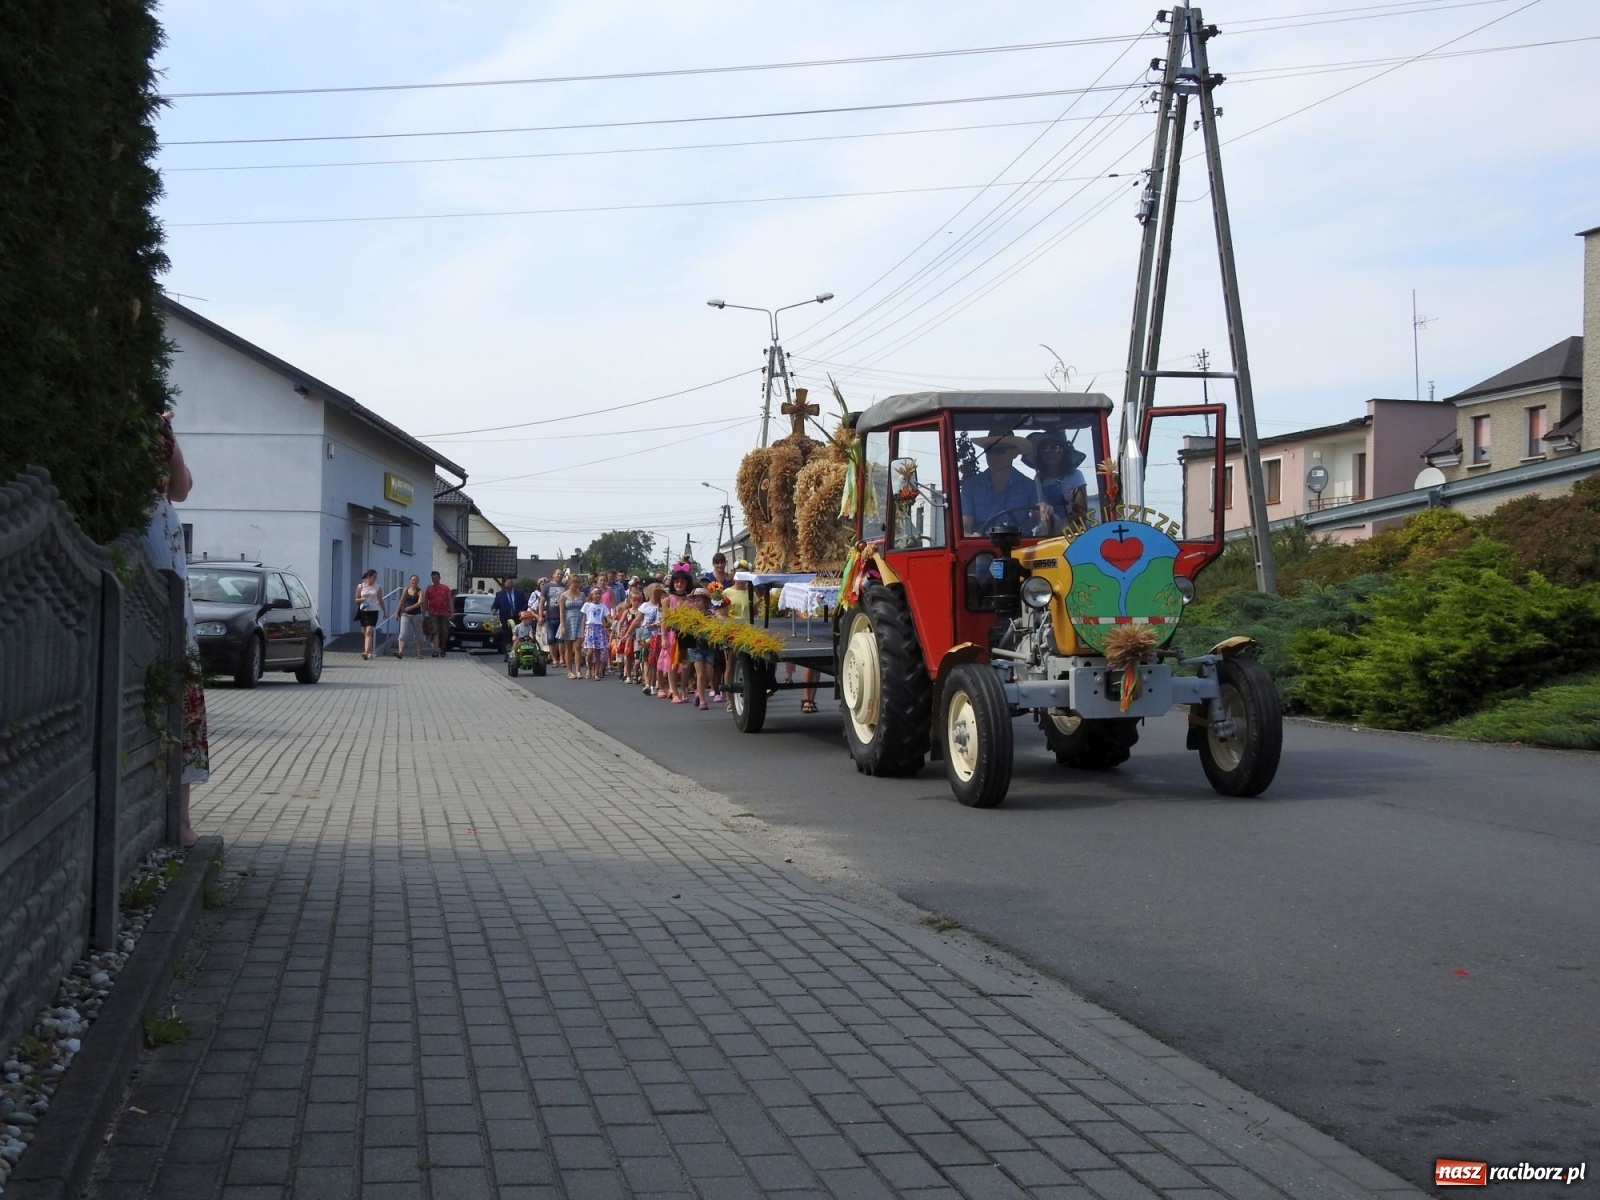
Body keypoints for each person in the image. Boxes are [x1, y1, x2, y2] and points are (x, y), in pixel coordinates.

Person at [143, 411, 206, 847]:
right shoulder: (154, 422)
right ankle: (180, 822)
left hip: (139, 533)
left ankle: (172, 820)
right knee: (179, 669)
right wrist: (168, 432)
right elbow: (182, 487)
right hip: (157, 533)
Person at [960, 429, 1043, 535]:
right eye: (989, 450)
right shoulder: (970, 487)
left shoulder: (1030, 486)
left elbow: (1044, 518)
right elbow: (965, 526)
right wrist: (970, 537)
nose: (993, 456)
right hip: (983, 548)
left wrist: (1042, 514)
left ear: (1014, 453)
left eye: (1000, 450)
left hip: (1021, 547)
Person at [1024, 430, 1090, 534]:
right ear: (1039, 455)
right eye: (1045, 449)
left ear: (1064, 452)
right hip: (1047, 533)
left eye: (1056, 448)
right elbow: (1036, 512)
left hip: (1073, 533)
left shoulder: (1075, 475)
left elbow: (1082, 512)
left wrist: (1060, 525)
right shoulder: (1038, 479)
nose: (1051, 453)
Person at [355, 568, 385, 660]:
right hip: (363, 610)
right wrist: (362, 599)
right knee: (366, 633)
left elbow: (380, 600)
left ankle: (365, 652)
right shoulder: (360, 586)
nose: (375, 578)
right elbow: (356, 599)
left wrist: (384, 611)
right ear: (368, 576)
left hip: (373, 611)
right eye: (374, 577)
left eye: (376, 577)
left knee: (369, 631)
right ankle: (370, 653)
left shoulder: (377, 587)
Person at [580, 586, 610, 680]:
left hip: (599, 629)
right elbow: (584, 619)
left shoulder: (602, 606)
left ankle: (596, 672)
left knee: (598, 652)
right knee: (590, 652)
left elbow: (608, 618)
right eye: (596, 593)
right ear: (592, 595)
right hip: (590, 628)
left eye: (599, 594)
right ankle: (589, 668)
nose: (598, 595)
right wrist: (582, 632)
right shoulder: (587, 605)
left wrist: (614, 623)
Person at [560, 575, 586, 679]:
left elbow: (585, 610)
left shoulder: (582, 595)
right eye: (574, 582)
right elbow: (561, 611)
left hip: (580, 620)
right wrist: (562, 625)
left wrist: (585, 624)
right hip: (568, 621)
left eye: (578, 582)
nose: (576, 584)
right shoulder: (564, 595)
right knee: (568, 648)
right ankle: (569, 671)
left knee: (578, 647)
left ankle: (578, 670)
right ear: (569, 582)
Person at [490, 578, 525, 654]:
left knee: (517, 635)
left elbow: (525, 604)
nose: (507, 590)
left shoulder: (519, 593)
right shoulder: (500, 595)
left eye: (509, 588)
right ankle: (507, 654)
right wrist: (494, 609)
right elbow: (495, 605)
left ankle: (518, 652)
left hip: (517, 618)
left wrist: (522, 611)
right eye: (506, 588)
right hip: (505, 618)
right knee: (507, 636)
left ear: (512, 586)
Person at [423, 571, 453, 657]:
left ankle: (443, 647)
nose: (434, 579)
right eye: (433, 578)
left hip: (444, 612)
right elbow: (426, 600)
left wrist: (452, 612)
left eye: (435, 578)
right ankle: (436, 650)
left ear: (439, 578)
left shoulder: (445, 588)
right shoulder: (429, 589)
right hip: (433, 612)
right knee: (435, 630)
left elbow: (450, 599)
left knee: (444, 630)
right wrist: (424, 611)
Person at [396, 574, 425, 659]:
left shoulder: (420, 591)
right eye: (412, 580)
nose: (414, 582)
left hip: (416, 615)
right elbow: (401, 601)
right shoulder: (406, 590)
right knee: (403, 633)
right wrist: (397, 612)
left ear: (418, 582)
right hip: (405, 615)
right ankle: (400, 652)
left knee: (418, 634)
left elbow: (420, 602)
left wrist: (410, 607)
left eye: (415, 580)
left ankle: (419, 653)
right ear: (410, 581)